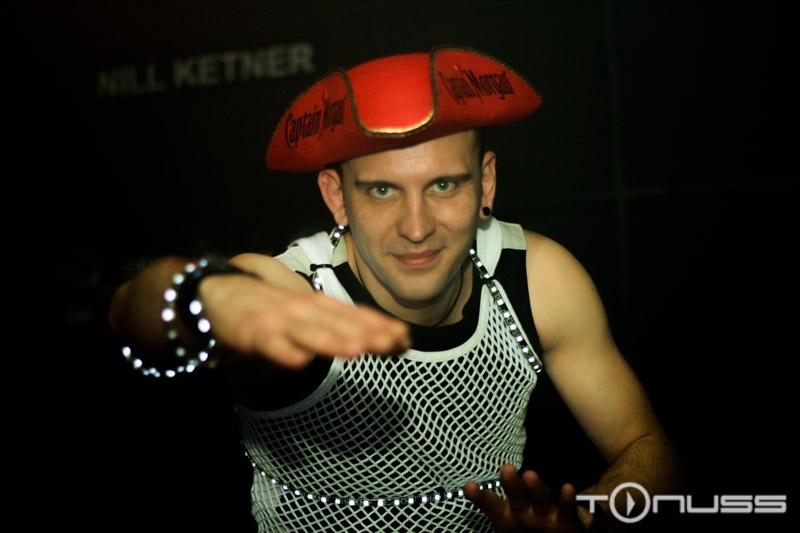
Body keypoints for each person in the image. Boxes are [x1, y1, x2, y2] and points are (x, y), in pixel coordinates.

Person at [108, 45, 686, 532]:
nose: (416, 226)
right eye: (382, 191)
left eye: (443, 185)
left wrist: (586, 518)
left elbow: (649, 450)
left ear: (485, 183)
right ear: (337, 198)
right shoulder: (295, 293)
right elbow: (131, 313)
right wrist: (200, 297)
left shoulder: (537, 277)